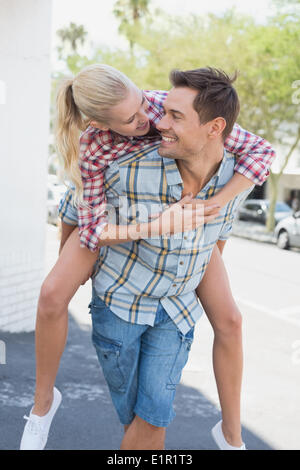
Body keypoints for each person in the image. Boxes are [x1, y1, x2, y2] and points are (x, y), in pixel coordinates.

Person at [20, 64, 275, 450]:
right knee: (53, 294)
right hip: (108, 218)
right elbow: (84, 220)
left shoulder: (163, 107)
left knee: (230, 319)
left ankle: (231, 436)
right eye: (131, 118)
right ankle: (42, 405)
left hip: (172, 232)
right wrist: (152, 228)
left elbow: (261, 152)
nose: (150, 119)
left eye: (143, 104)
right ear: (101, 123)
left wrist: (217, 204)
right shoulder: (94, 144)